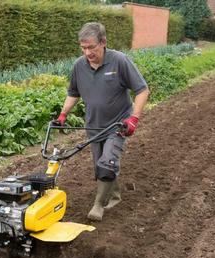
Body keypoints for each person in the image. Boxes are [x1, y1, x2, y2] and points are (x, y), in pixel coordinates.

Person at [56, 22, 149, 221]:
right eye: (83, 47)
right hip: (93, 125)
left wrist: (134, 119)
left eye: (91, 47)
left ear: (103, 42)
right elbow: (74, 93)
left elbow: (142, 90)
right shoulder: (79, 66)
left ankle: (99, 205)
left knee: (107, 163)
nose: (87, 52)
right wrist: (62, 115)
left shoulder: (119, 61)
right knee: (101, 167)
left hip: (118, 125)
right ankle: (114, 196)